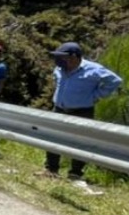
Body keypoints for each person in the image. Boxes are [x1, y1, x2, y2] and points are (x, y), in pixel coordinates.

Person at [46, 41, 122, 180]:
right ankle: (51, 170)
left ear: (74, 57)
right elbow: (58, 80)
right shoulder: (59, 69)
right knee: (53, 137)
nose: (59, 60)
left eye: (62, 57)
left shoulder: (93, 69)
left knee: (80, 142)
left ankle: (75, 173)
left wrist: (96, 95)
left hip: (81, 111)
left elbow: (115, 81)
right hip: (59, 108)